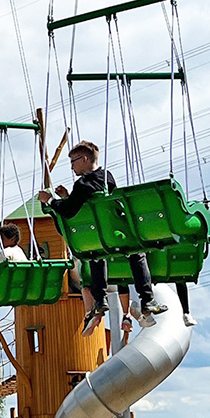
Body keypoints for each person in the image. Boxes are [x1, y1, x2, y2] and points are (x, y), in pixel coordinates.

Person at [37, 140, 165, 336]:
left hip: (95, 238)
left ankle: (99, 300)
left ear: (85, 159)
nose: (71, 166)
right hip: (116, 233)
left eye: (73, 161)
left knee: (96, 254)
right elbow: (88, 203)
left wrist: (52, 201)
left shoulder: (82, 184)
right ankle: (147, 299)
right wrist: (69, 196)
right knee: (136, 253)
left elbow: (70, 211)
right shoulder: (108, 178)